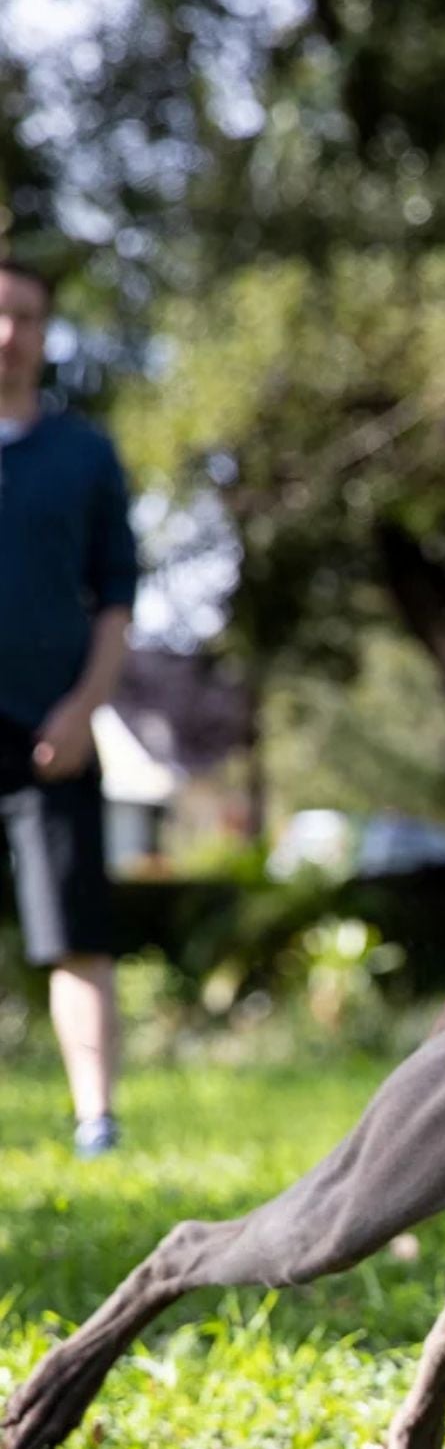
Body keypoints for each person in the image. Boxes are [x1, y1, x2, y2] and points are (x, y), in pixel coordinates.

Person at [0, 259, 137, 1157]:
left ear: (47, 333)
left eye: (26, 317)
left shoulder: (86, 456)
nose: (8, 333)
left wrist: (84, 711)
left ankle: (97, 1120)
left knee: (74, 938)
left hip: (50, 737)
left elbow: (118, 602)